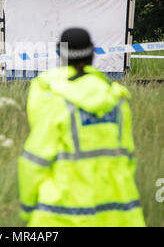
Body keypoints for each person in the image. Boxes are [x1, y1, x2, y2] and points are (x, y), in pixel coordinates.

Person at [18, 28, 146, 227]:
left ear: (60, 53)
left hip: (62, 215)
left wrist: (27, 209)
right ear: (93, 52)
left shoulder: (57, 103)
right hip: (117, 214)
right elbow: (129, 156)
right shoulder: (118, 101)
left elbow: (34, 162)